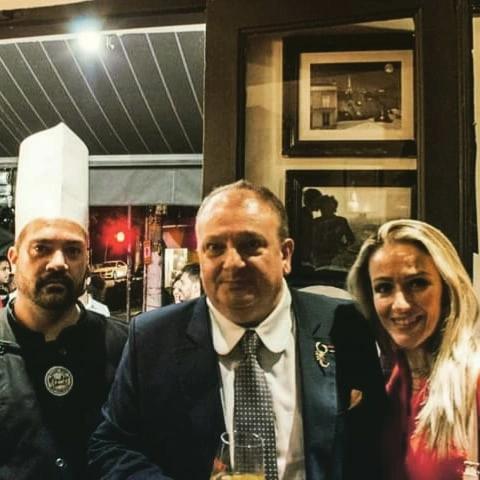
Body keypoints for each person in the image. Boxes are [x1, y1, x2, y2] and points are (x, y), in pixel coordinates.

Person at [88, 179, 386, 480]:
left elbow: (376, 445)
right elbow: (111, 446)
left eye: (251, 244)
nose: (232, 263)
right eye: (215, 247)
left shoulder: (344, 325)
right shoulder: (153, 338)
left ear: (285, 255)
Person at [0, 123, 128, 479]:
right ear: (14, 259)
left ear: (86, 260)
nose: (58, 262)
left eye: (72, 250)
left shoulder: (126, 346)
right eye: (41, 248)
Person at [346, 218, 480, 480]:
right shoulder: (388, 385)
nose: (401, 304)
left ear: (447, 288)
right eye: (384, 288)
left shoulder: (473, 381)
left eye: (417, 283)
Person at [310, 194, 355, 268]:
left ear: (333, 207)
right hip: (320, 257)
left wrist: (342, 248)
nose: (325, 209)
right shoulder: (316, 222)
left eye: (328, 207)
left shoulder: (341, 221)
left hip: (336, 256)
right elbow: (312, 241)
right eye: (323, 207)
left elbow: (351, 239)